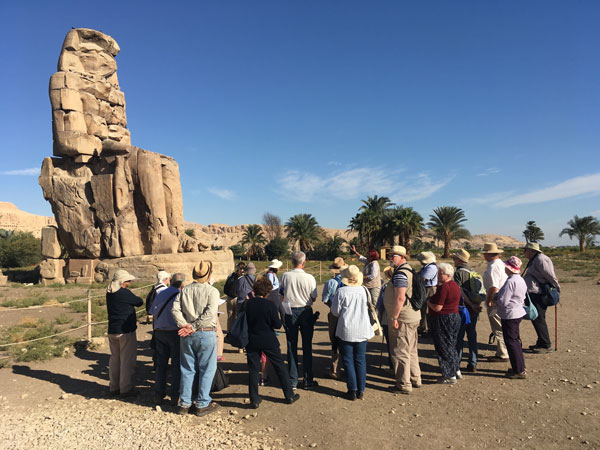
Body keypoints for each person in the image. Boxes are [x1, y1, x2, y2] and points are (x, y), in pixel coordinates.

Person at [171, 260, 220, 416]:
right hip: (205, 332)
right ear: (208, 275)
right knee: (207, 369)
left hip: (187, 334)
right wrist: (191, 326)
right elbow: (210, 313)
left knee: (187, 368)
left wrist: (184, 324)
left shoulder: (184, 291)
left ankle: (184, 403)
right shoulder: (212, 291)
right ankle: (202, 403)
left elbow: (175, 309)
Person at [245, 277, 300, 408]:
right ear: (267, 292)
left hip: (252, 339)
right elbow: (277, 324)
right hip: (268, 339)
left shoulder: (248, 304)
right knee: (279, 366)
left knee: (253, 369)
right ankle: (289, 394)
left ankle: (254, 399)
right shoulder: (269, 305)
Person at [331, 265, 374, 400]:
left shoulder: (342, 291)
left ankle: (352, 389)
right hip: (362, 328)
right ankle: (361, 389)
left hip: (347, 329)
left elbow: (335, 312)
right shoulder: (364, 290)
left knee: (348, 359)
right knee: (360, 359)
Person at [385, 246, 422, 394]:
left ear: (402, 257)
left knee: (400, 351)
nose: (391, 257)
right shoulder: (408, 270)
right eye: (391, 255)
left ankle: (403, 384)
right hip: (411, 315)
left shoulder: (401, 274)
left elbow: (400, 297)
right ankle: (415, 377)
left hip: (403, 318)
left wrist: (394, 316)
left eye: (394, 255)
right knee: (411, 349)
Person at [279, 251, 319, 390]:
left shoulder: (285, 276)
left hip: (290, 311)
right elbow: (314, 296)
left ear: (292, 262)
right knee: (307, 345)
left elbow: (281, 294)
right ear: (304, 262)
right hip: (305, 310)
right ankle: (308, 379)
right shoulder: (309, 278)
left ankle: (293, 380)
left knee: (291, 345)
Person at [106, 270, 143, 398]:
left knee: (115, 359)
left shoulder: (110, 291)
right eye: (127, 281)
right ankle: (125, 388)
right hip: (125, 330)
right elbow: (139, 301)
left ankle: (114, 386)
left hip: (113, 329)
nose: (129, 282)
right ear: (122, 281)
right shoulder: (123, 293)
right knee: (127, 360)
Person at [150, 272, 185, 405]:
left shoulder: (161, 293)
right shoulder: (180, 295)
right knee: (176, 365)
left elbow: (153, 312)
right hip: (174, 332)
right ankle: (175, 395)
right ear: (182, 284)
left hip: (160, 331)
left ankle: (159, 394)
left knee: (161, 364)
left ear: (171, 281)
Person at [522, 242, 560, 353]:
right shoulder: (535, 259)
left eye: (525, 250)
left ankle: (545, 344)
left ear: (531, 250)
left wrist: (557, 288)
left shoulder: (540, 259)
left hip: (538, 293)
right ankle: (541, 342)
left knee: (538, 318)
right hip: (534, 292)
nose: (524, 252)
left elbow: (550, 276)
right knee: (537, 317)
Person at [427, 263, 461, 384]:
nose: (438, 275)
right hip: (454, 317)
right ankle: (456, 369)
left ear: (447, 275)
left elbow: (438, 307)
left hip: (443, 318)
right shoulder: (454, 285)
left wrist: (428, 302)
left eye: (440, 273)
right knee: (451, 344)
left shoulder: (444, 287)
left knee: (443, 346)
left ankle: (449, 375)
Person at [496, 256, 527, 379]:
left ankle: (518, 370)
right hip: (518, 312)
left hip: (510, 314)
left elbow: (503, 301)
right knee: (515, 342)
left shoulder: (510, 281)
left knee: (511, 342)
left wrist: (495, 298)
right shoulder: (520, 279)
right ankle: (519, 367)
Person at [452, 249, 481, 373]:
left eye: (455, 258)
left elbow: (459, 292)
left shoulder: (459, 273)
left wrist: (470, 304)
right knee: (472, 334)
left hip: (463, 308)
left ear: (460, 260)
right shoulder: (473, 271)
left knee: (459, 336)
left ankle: (456, 363)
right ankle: (473, 362)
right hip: (474, 308)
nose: (454, 261)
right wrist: (475, 305)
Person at [482, 243, 509, 362]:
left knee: (497, 326)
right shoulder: (501, 263)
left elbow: (493, 287)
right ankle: (503, 350)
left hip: (495, 299)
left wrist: (488, 300)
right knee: (502, 325)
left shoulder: (493, 266)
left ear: (487, 254)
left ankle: (503, 353)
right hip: (503, 298)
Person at [321, 257, 346, 379]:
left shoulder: (330, 283)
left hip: (334, 314)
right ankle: (346, 366)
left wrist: (332, 306)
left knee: (334, 340)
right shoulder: (349, 282)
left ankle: (335, 368)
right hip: (347, 314)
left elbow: (325, 300)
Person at [416, 251, 438, 335]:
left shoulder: (431, 268)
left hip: (429, 289)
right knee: (424, 308)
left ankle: (426, 328)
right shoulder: (428, 267)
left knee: (427, 309)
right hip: (426, 288)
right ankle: (423, 326)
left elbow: (423, 278)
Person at [225, 262, 246, 332]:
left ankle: (230, 331)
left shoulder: (230, 276)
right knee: (237, 316)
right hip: (237, 298)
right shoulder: (243, 278)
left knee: (230, 316)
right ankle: (235, 332)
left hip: (230, 298)